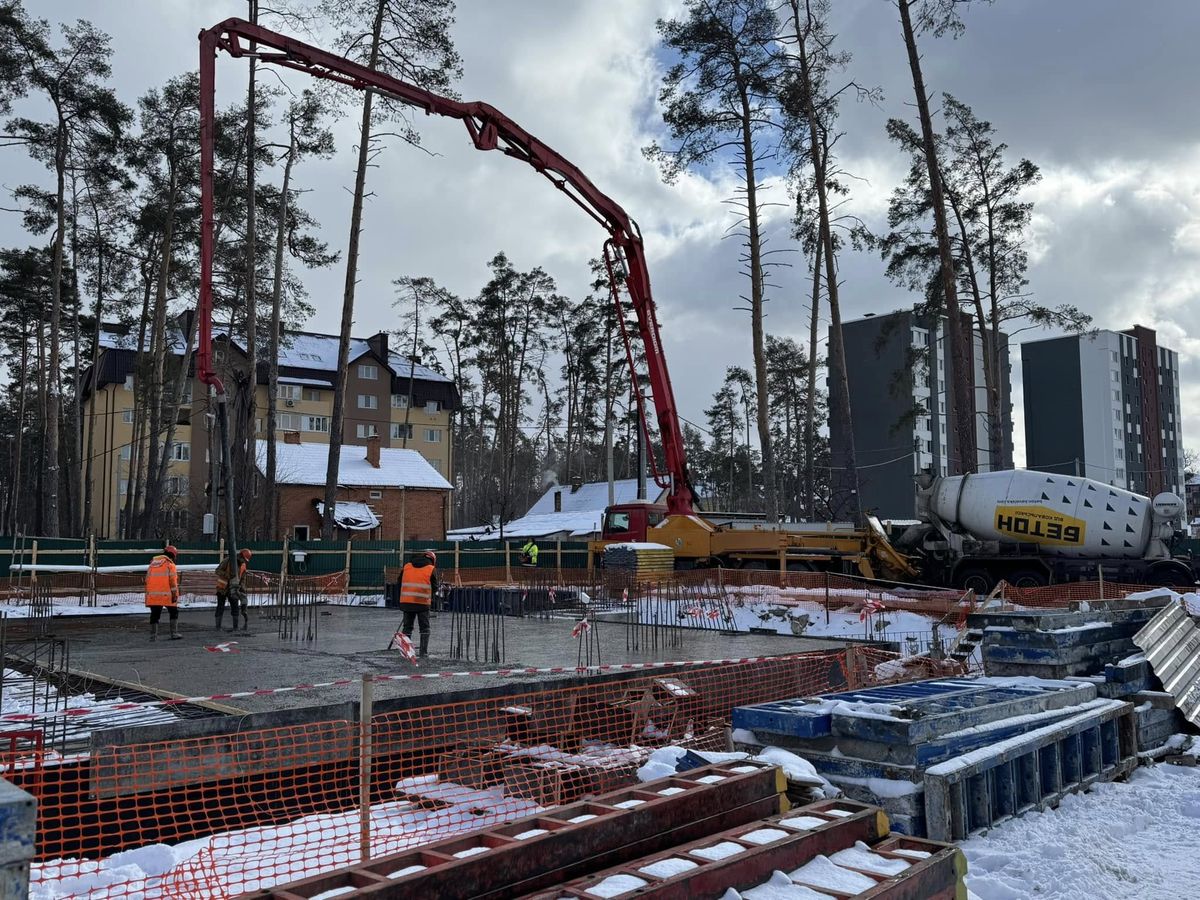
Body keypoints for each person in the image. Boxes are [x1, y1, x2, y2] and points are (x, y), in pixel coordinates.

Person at [398, 550, 440, 657]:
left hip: (407, 602)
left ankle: (406, 652)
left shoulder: (407, 566)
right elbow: (435, 587)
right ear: (432, 560)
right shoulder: (431, 569)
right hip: (422, 603)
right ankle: (423, 652)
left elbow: (399, 582)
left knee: (407, 627)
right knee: (424, 628)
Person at [146, 545, 181, 641]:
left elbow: (147, 579)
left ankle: (153, 636)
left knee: (155, 615)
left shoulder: (152, 564)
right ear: (173, 555)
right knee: (174, 612)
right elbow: (173, 583)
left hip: (153, 595)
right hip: (167, 595)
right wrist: (175, 595)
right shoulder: (170, 565)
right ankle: (174, 633)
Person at [215, 548, 252, 632]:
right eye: (243, 558)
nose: (243, 560)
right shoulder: (228, 560)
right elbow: (217, 571)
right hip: (223, 588)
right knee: (220, 607)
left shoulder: (243, 565)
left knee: (235, 607)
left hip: (234, 588)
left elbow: (242, 578)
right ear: (240, 555)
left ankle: (235, 627)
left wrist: (242, 588)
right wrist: (228, 575)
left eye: (244, 560)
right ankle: (218, 627)